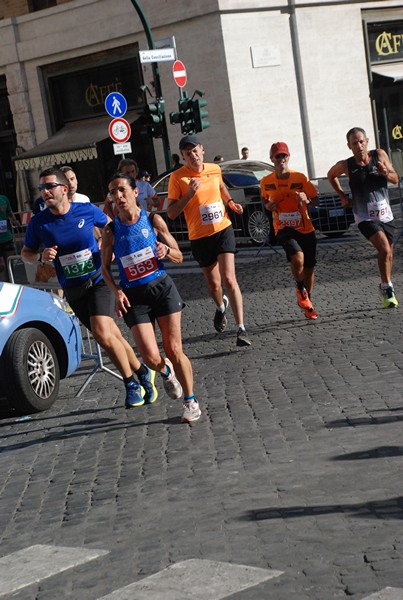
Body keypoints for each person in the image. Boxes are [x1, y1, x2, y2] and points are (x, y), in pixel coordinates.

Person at [21, 167, 157, 409]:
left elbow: (111, 227)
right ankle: (142, 371)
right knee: (111, 335)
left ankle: (130, 384)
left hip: (97, 281)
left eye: (50, 186)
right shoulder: (39, 223)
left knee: (102, 332)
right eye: (42, 188)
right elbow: (26, 253)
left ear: (64, 189)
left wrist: (107, 248)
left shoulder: (85, 210)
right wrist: (41, 256)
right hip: (73, 289)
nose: (45, 192)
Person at [101, 172, 201, 423]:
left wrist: (166, 250)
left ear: (136, 192)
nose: (118, 196)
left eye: (122, 190)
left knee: (174, 348)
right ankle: (166, 372)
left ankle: (190, 401)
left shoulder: (153, 220)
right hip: (134, 295)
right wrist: (117, 291)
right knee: (149, 356)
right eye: (113, 193)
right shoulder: (111, 230)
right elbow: (104, 268)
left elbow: (179, 255)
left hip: (161, 288)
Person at [167, 134, 251, 347]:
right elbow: (171, 213)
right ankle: (220, 307)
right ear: (184, 157)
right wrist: (188, 195)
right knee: (214, 284)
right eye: (188, 154)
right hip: (199, 236)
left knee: (229, 279)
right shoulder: (178, 178)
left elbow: (221, 186)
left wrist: (230, 202)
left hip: (223, 228)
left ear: (202, 150)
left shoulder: (214, 169)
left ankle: (241, 328)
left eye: (195, 151)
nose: (193, 156)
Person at [327, 127, 399, 308]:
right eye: (354, 143)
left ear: (367, 141)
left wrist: (385, 173)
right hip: (364, 216)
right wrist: (342, 195)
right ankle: (388, 288)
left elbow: (395, 179)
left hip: (385, 214)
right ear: (349, 146)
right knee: (383, 248)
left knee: (388, 253)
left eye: (361, 142)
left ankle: (384, 285)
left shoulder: (379, 155)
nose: (359, 146)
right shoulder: (347, 165)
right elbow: (331, 175)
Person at [260, 142, 320, 320]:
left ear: (289, 156)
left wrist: (306, 200)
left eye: (284, 156)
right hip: (284, 227)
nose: (281, 159)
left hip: (305, 227)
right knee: (297, 257)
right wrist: (269, 206)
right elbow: (264, 201)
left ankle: (307, 300)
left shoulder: (300, 178)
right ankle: (300, 287)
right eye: (277, 156)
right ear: (272, 159)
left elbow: (315, 200)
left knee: (309, 268)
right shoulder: (266, 181)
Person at [0, 192, 19, 282]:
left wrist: (16, 222)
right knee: (2, 266)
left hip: (7, 238)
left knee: (10, 265)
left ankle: (10, 286)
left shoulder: (3, 198)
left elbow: (10, 214)